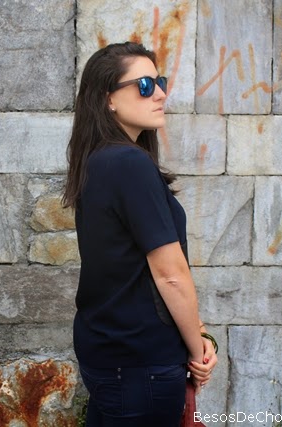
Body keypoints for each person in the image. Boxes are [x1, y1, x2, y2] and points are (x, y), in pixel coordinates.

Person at [63, 41, 218, 426]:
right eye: (145, 86)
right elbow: (170, 274)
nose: (161, 94)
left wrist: (198, 332)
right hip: (140, 364)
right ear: (108, 99)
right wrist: (197, 349)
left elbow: (126, 268)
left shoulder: (100, 160)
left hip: (111, 355)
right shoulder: (128, 163)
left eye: (159, 82)